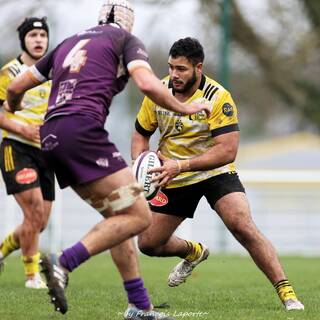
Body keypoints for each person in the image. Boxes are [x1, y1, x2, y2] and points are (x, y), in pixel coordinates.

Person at [5, 1, 209, 319]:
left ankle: (139, 306)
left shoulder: (68, 43)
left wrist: (13, 105)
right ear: (128, 24)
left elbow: (16, 87)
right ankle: (63, 262)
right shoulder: (124, 41)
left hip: (52, 137)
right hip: (83, 133)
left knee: (119, 218)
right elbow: (145, 83)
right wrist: (185, 108)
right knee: (140, 216)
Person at [131, 37, 305, 311]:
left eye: (181, 69)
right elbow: (141, 136)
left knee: (241, 224)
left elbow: (227, 151)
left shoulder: (218, 97)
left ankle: (287, 293)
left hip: (214, 172)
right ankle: (193, 252)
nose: (174, 75)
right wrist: (142, 164)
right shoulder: (157, 92)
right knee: (149, 244)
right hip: (172, 176)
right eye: (171, 67)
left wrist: (181, 165)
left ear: (198, 68)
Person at [0, 17, 54, 289]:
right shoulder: (10, 71)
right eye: (32, 35)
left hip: (47, 153)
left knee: (40, 221)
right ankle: (32, 276)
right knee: (33, 210)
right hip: (16, 148)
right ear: (23, 39)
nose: (38, 40)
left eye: (42, 35)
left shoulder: (54, 71)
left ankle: (3, 249)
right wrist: (20, 128)